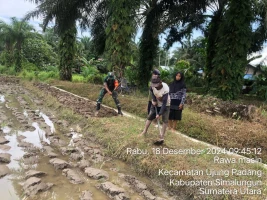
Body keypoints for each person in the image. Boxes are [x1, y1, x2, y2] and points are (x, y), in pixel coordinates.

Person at [139, 75, 170, 144]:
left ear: (160, 82)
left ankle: (161, 136)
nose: (155, 86)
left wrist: (159, 114)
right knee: (150, 117)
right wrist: (154, 100)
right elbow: (152, 91)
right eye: (154, 85)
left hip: (166, 105)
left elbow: (164, 103)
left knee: (165, 120)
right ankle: (144, 131)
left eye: (156, 84)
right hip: (156, 102)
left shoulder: (165, 88)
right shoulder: (152, 86)